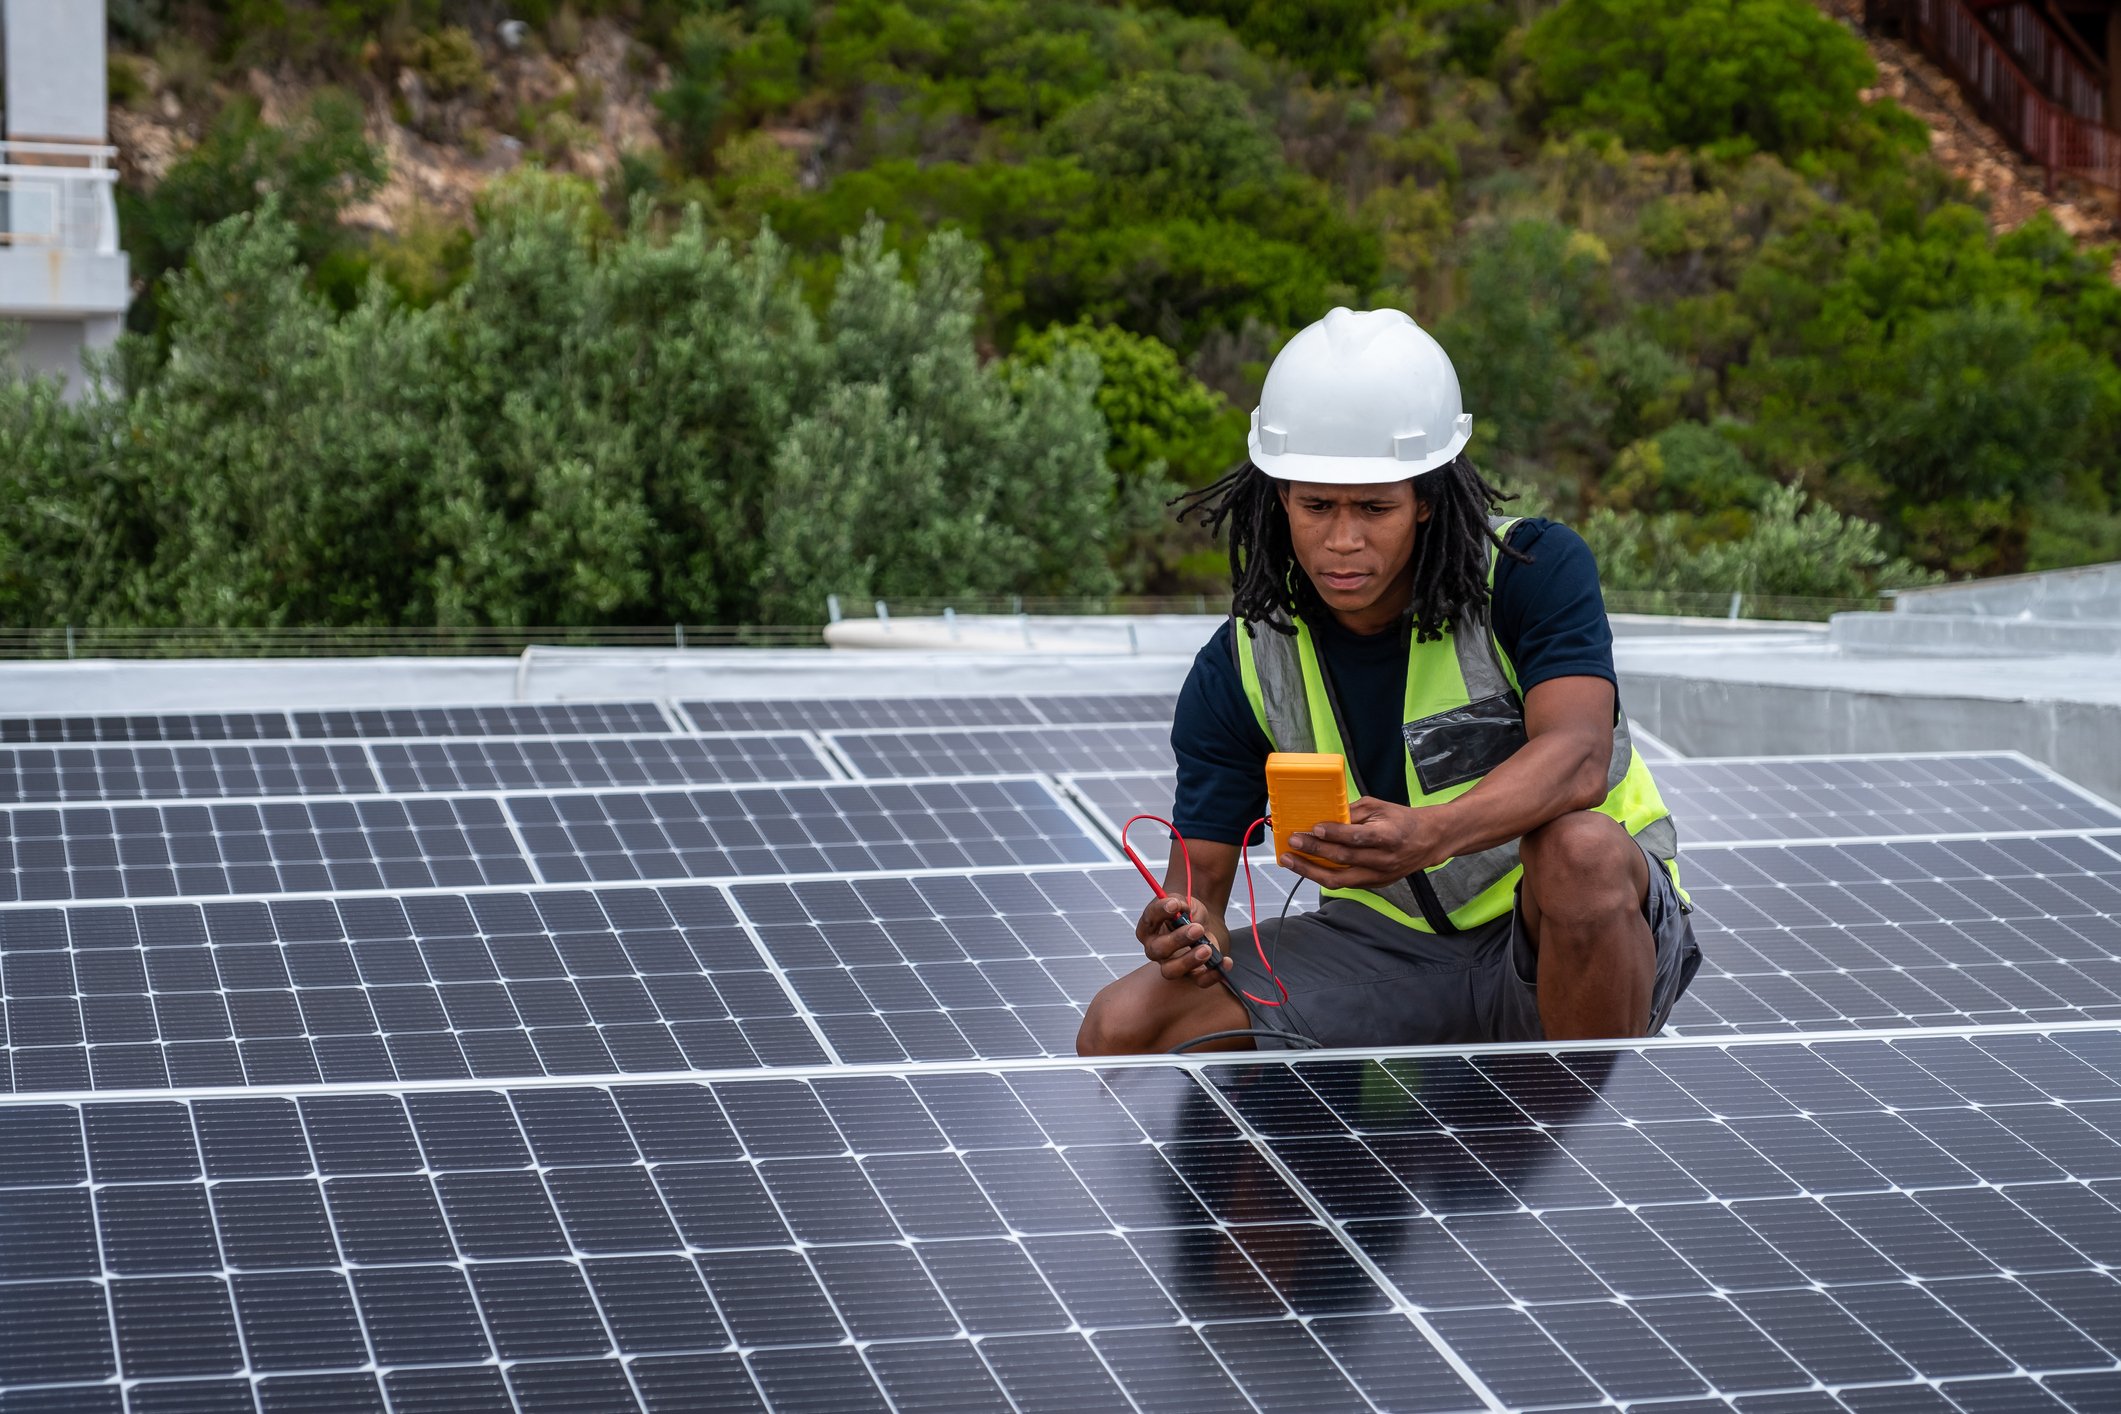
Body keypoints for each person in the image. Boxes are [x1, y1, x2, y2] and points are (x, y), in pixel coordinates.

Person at [1077, 307, 1699, 1055]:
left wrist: (1429, 835)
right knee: (1123, 1027)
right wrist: (1185, 928)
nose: (1342, 540)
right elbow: (1199, 882)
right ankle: (1296, 1171)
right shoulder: (1240, 663)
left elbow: (1578, 756)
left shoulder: (1532, 573)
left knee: (1580, 852)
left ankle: (1590, 1137)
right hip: (1394, 951)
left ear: (1427, 498)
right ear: (1280, 496)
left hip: (1577, 932)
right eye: (1316, 506)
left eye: (1374, 508)